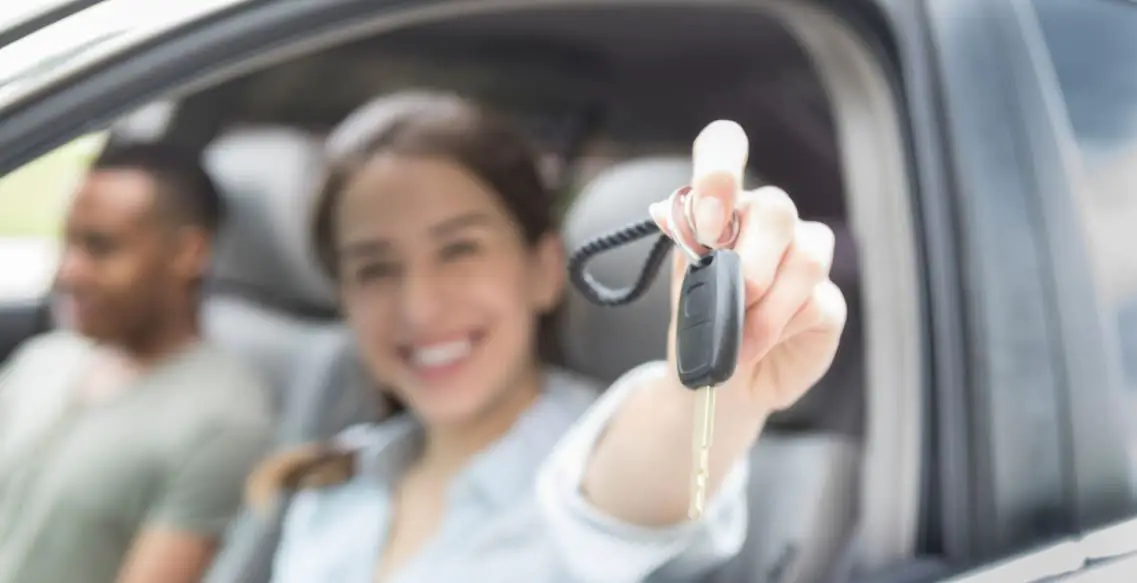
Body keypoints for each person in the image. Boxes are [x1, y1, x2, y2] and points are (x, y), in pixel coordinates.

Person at [252, 92, 846, 582]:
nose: (419, 305)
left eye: (460, 250)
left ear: (542, 269)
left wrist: (710, 387)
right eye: (375, 269)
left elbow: (628, 503)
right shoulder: (333, 479)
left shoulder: (595, 465)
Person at [0, 142, 273, 583]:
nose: (68, 272)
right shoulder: (45, 358)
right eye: (67, 241)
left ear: (188, 254)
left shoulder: (221, 421)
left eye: (100, 247)